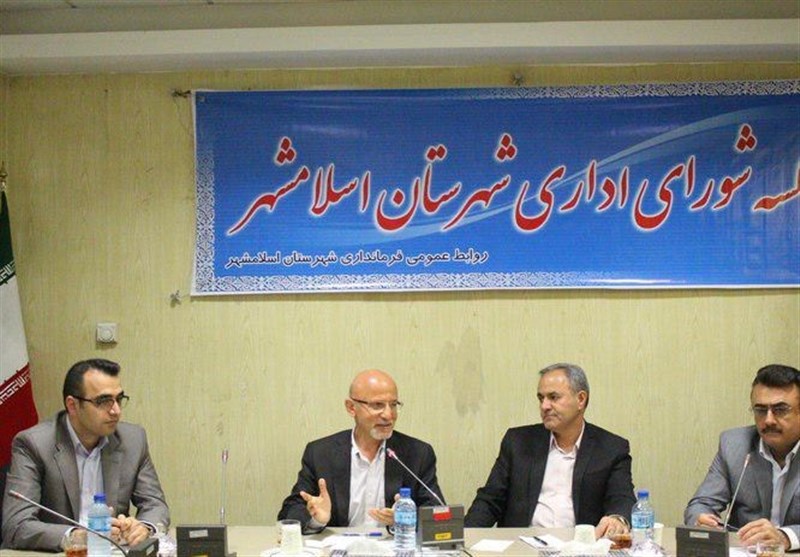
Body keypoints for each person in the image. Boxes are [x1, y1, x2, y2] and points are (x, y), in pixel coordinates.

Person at [1, 358, 169, 551]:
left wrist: (144, 527)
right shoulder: (34, 444)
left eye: (119, 399)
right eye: (104, 401)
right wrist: (76, 537)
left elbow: (156, 505)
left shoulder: (133, 440)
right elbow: (16, 526)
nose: (116, 411)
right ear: (72, 405)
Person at [465, 363, 635, 538]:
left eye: (553, 397)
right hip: (523, 545)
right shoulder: (518, 442)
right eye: (541, 398)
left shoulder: (611, 448)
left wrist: (617, 519)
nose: (544, 406)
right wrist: (464, 537)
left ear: (581, 399)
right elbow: (490, 500)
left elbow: (622, 498)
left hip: (580, 546)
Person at [278, 369, 444, 532]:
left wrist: (405, 520)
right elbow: (290, 512)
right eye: (377, 405)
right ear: (351, 407)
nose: (388, 415)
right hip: (339, 546)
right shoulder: (320, 453)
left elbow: (437, 513)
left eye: (393, 405)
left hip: (394, 545)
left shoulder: (418, 453)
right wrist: (316, 519)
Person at [684, 364, 800, 552]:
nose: (769, 420)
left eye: (780, 409)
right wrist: (701, 520)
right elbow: (700, 504)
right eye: (760, 410)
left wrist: (785, 537)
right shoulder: (734, 445)